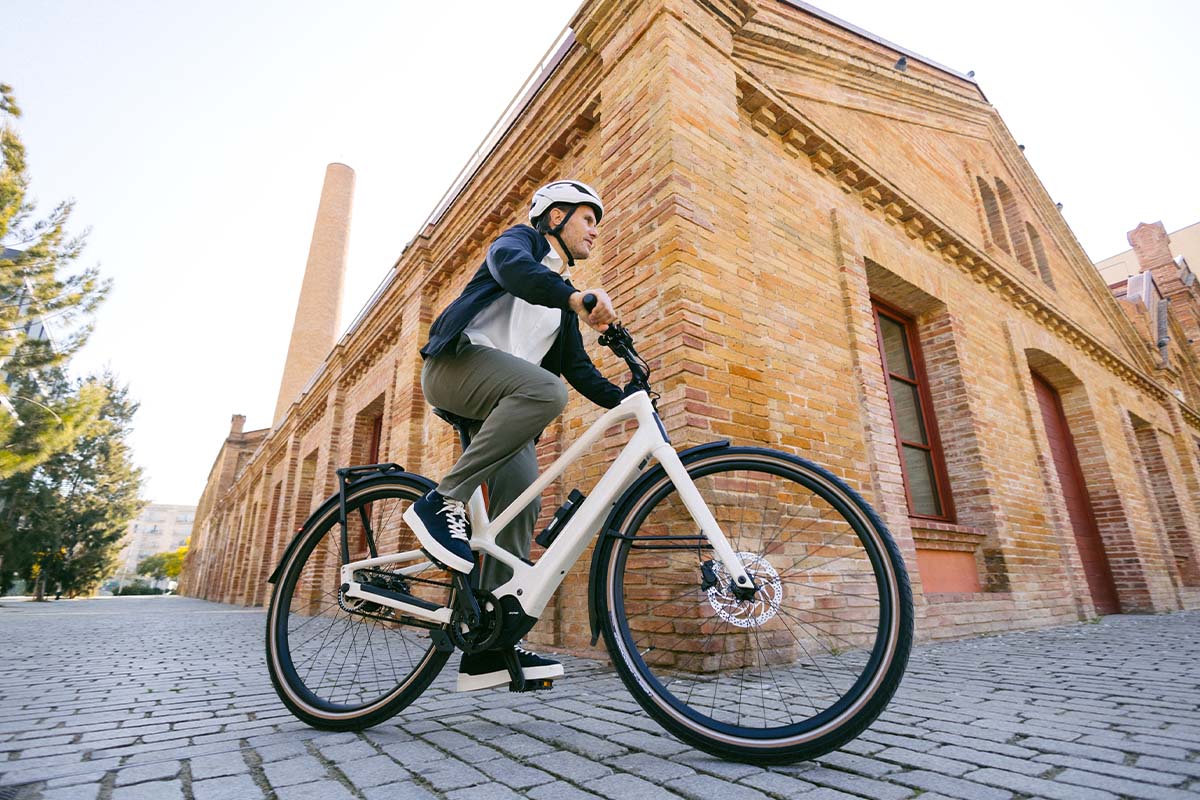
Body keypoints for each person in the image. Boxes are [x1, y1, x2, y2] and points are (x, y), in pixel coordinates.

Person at [403, 179, 625, 691]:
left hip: (501, 399)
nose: (596, 230)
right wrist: (575, 298)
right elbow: (512, 272)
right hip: (455, 366)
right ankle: (441, 501)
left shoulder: (559, 295)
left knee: (523, 501)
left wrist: (629, 397)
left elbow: (576, 368)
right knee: (546, 393)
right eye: (588, 218)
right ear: (554, 218)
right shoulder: (520, 246)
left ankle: (489, 646)